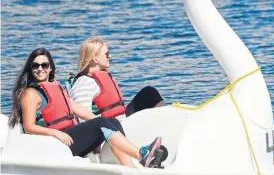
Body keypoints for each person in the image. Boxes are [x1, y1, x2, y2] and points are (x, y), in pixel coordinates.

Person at [8, 48, 162, 168]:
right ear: (31, 68)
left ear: (50, 68)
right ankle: (141, 155)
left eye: (44, 65)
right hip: (56, 143)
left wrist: (103, 122)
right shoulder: (30, 94)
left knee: (110, 122)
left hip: (69, 137)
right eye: (35, 65)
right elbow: (29, 127)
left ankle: (130, 166)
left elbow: (79, 110)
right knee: (103, 123)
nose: (40, 69)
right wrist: (55, 133)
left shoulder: (57, 88)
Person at [66, 36, 165, 121]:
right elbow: (83, 120)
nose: (110, 56)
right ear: (95, 59)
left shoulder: (102, 77)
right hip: (109, 132)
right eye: (107, 54)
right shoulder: (83, 83)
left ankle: (167, 121)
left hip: (121, 121)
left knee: (149, 93)